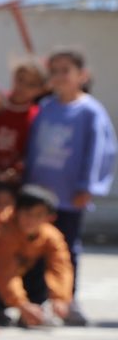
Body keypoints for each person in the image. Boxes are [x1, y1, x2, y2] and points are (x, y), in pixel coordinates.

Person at [21, 48, 113, 279]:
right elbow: (32, 147)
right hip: (39, 192)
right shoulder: (45, 107)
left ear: (82, 75)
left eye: (65, 70)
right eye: (54, 71)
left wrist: (87, 187)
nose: (59, 76)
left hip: (69, 196)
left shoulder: (90, 111)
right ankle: (38, 294)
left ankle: (65, 294)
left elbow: (99, 152)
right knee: (36, 248)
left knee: (65, 248)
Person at [0, 185, 76, 328]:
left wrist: (60, 297)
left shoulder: (51, 236)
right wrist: (21, 304)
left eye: (38, 215)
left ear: (49, 218)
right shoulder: (4, 234)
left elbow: (61, 267)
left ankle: (35, 308)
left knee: (41, 267)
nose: (31, 220)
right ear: (16, 212)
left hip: (25, 280)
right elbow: (4, 273)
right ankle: (2, 311)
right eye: (27, 213)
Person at [0, 59, 47, 186]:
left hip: (15, 181)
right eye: (20, 79)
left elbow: (33, 150)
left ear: (41, 90)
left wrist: (16, 170)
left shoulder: (37, 115)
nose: (22, 87)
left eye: (31, 84)